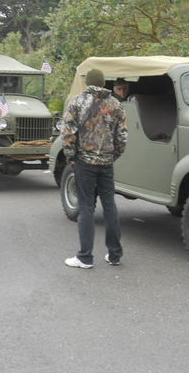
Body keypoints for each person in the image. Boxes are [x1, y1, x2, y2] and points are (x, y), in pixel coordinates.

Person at [62, 69, 128, 268]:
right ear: (104, 82)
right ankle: (115, 254)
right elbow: (122, 138)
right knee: (110, 206)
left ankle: (85, 257)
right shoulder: (116, 105)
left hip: (84, 163)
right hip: (106, 163)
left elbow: (68, 133)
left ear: (87, 82)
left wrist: (71, 157)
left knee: (86, 208)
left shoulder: (77, 102)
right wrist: (112, 156)